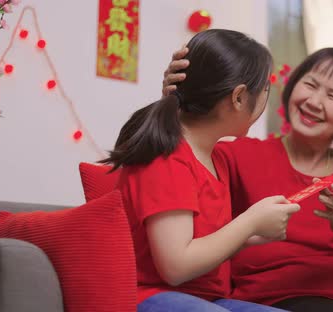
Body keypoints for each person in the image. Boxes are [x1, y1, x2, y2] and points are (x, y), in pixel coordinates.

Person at [163, 46, 333, 312]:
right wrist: (176, 105)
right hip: (278, 297)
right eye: (310, 84)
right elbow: (183, 153)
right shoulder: (237, 156)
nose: (314, 102)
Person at [102, 29, 300, 312]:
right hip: (149, 296)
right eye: (266, 90)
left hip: (204, 299)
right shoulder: (168, 157)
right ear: (240, 98)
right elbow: (176, 266)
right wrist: (249, 223)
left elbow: (203, 241)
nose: (267, 98)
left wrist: (254, 234)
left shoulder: (216, 158)